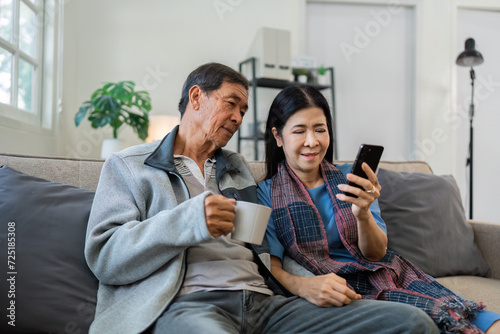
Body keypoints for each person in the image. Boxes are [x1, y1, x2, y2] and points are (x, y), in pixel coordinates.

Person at [84, 63, 440, 334]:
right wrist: (189, 221)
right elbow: (105, 256)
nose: (239, 118)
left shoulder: (236, 168)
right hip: (190, 305)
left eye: (243, 110)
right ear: (196, 98)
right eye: (231, 105)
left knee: (411, 323)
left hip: (266, 305)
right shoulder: (131, 166)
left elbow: (269, 249)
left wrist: (306, 284)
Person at [257, 85, 500, 334]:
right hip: (344, 288)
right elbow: (269, 264)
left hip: (387, 272)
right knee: (423, 321)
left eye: (320, 129)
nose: (313, 141)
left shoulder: (350, 177)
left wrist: (363, 213)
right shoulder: (266, 193)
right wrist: (303, 286)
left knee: (485, 321)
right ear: (278, 136)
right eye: (299, 131)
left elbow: (375, 253)